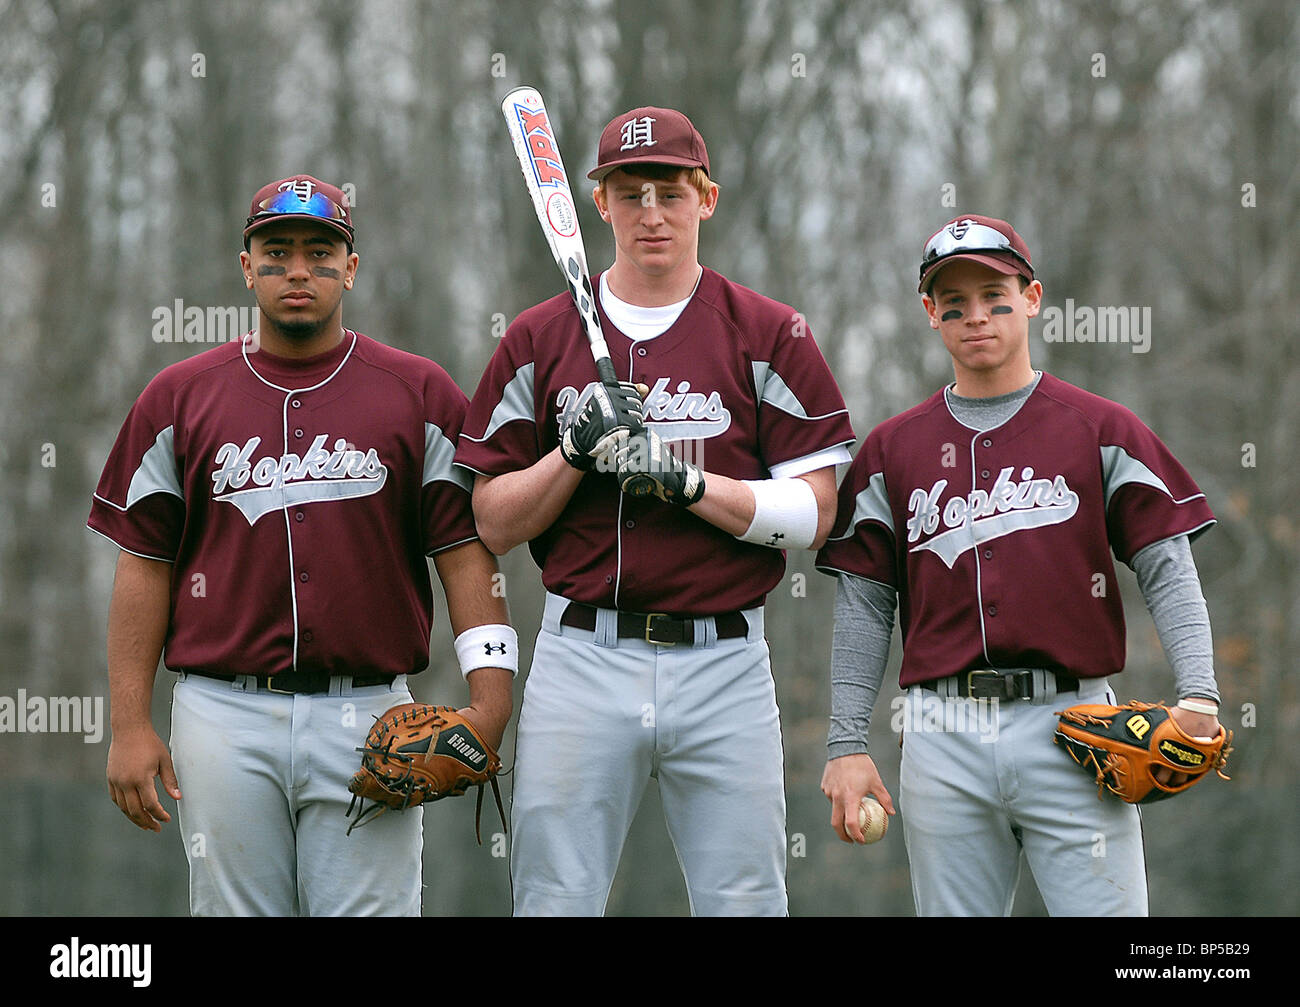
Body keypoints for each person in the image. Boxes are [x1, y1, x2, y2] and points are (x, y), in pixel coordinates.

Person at [455, 107, 855, 916]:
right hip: (581, 654)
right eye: (628, 192)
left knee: (745, 901)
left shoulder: (770, 333)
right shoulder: (538, 337)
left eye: (670, 191)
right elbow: (491, 519)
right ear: (598, 204)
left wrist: (686, 484)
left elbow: (815, 513)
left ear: (707, 197)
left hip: (727, 661)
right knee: (552, 898)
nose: (650, 212)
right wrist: (571, 452)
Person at [88, 174, 515, 916]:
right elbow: (143, 563)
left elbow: (466, 552)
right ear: (245, 265)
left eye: (320, 253)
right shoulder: (178, 397)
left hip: (371, 712)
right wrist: (129, 722)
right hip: (223, 711)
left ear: (351, 268)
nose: (297, 270)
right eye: (276, 250)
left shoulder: (418, 392)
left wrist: (490, 703)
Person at [815, 213, 1223, 916]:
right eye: (955, 303)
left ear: (1032, 298)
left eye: (995, 296)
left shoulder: (1099, 428)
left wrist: (1201, 694)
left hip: (1075, 726)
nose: (976, 315)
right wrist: (847, 741)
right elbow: (864, 605)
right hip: (942, 732)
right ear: (930, 314)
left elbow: (1167, 563)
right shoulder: (892, 450)